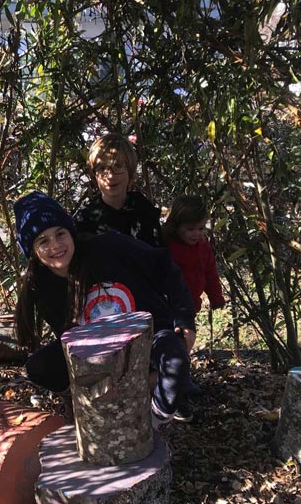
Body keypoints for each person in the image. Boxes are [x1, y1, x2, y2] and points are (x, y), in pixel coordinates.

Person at [14, 191, 196, 427]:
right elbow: (70, 338)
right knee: (39, 366)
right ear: (34, 252)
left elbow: (163, 267)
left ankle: (156, 416)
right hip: (100, 355)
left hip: (148, 338)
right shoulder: (43, 286)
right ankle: (96, 399)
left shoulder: (107, 247)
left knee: (174, 357)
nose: (56, 245)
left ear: (71, 232)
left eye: (60, 234)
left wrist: (184, 320)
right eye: (43, 241)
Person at [73, 133, 163, 247]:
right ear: (94, 174)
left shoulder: (143, 208)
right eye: (102, 168)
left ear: (130, 171)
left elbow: (158, 255)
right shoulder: (86, 217)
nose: (110, 176)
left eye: (118, 166)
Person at [163, 194, 226, 315]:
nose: (196, 234)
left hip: (191, 306)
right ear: (177, 226)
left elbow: (210, 273)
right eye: (191, 229)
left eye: (201, 228)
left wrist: (216, 297)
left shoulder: (203, 246)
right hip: (169, 306)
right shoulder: (168, 246)